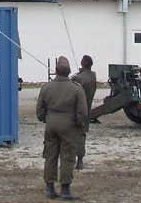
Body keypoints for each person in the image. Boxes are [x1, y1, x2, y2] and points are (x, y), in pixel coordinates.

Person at [36, 56, 87, 200]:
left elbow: (39, 110)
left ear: (56, 70)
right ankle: (65, 190)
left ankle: (50, 188)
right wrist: (79, 124)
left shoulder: (46, 87)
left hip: (51, 124)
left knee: (50, 156)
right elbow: (82, 112)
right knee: (68, 157)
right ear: (69, 71)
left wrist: (47, 119)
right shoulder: (76, 89)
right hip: (69, 125)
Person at [70, 54, 97, 171]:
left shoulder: (78, 78)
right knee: (82, 135)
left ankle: (72, 159)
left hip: (76, 110)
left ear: (83, 63)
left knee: (72, 135)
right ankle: (80, 159)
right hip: (87, 109)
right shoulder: (93, 76)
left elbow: (70, 90)